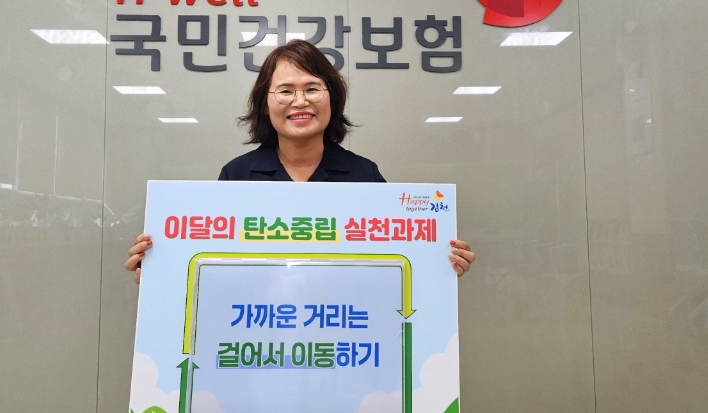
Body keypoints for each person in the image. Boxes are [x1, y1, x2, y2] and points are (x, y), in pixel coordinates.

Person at [125, 40, 475, 282]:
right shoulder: (238, 174)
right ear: (265, 104)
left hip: (342, 333)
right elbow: (211, 264)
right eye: (285, 91)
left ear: (331, 98)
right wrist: (162, 270)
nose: (300, 101)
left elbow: (393, 262)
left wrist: (438, 266)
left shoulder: (363, 174)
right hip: (257, 331)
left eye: (312, 88)